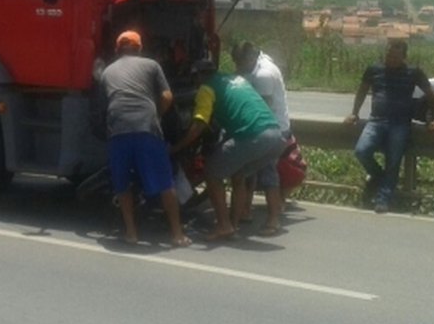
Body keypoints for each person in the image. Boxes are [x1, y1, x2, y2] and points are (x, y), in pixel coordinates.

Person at [175, 59, 286, 241]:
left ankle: (224, 225)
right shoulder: (236, 79)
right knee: (238, 175)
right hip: (275, 135)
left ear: (198, 76)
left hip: (253, 135)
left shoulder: (206, 88)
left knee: (212, 173)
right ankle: (232, 224)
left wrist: (178, 146)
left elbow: (199, 124)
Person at [99, 30, 191, 248]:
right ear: (139, 48)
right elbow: (167, 96)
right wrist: (157, 115)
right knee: (165, 183)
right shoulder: (151, 65)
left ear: (117, 49)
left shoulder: (107, 72)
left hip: (118, 130)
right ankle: (177, 235)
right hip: (146, 128)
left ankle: (131, 233)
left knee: (122, 185)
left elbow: (103, 105)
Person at [344, 39, 434, 213]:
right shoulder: (374, 70)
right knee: (361, 151)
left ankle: (383, 199)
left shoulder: (414, 72)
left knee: (393, 162)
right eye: (389, 54)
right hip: (376, 120)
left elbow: (431, 94)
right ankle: (379, 176)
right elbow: (362, 91)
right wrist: (354, 113)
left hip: (400, 124)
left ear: (404, 57)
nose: (391, 58)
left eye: (396, 56)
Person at [230, 41, 292, 234]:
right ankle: (245, 210)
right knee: (250, 171)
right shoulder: (259, 64)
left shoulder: (264, 74)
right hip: (267, 127)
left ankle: (274, 219)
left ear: (249, 58)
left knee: (267, 173)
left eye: (240, 63)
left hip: (272, 130)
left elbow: (261, 108)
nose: (238, 68)